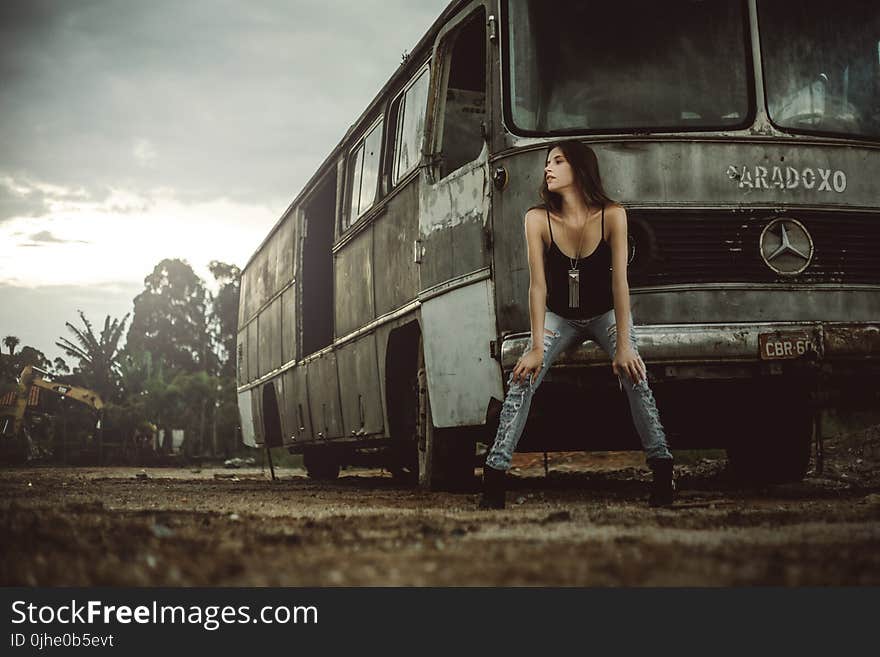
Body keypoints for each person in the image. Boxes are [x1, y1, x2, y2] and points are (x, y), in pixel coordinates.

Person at [479, 140, 674, 510]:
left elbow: (620, 281)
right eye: (547, 163)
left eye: (557, 161)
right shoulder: (537, 219)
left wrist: (624, 345)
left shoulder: (613, 215)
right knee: (522, 376)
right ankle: (494, 476)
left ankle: (663, 471)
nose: (547, 169)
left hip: (606, 315)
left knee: (635, 373)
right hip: (559, 316)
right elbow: (537, 286)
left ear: (580, 168)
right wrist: (536, 347)